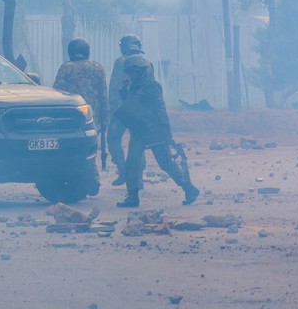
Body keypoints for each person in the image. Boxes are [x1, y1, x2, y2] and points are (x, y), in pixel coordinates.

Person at [113, 55, 200, 208]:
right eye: (129, 72)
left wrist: (167, 133)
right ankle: (132, 195)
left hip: (154, 129)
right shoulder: (133, 86)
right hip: (139, 129)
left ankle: (188, 188)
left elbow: (160, 110)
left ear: (140, 71)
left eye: (133, 72)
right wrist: (123, 91)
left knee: (165, 162)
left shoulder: (153, 87)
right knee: (132, 161)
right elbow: (130, 104)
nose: (131, 75)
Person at [52, 38, 106, 197]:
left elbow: (56, 92)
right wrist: (106, 118)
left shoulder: (66, 68)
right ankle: (91, 178)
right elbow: (104, 94)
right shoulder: (97, 68)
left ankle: (85, 179)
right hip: (92, 116)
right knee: (90, 150)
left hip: (70, 118)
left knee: (73, 149)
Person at [107, 34, 144, 186]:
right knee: (137, 142)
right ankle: (138, 177)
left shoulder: (120, 62)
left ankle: (123, 171)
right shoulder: (145, 63)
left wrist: (112, 109)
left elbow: (115, 87)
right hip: (139, 109)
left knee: (113, 139)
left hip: (122, 109)